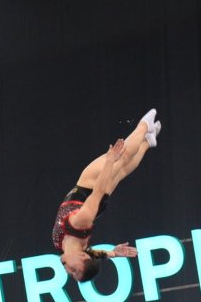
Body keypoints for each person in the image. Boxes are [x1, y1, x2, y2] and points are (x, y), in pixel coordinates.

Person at [53, 110, 160, 283]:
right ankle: (144, 127)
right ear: (82, 257)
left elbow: (94, 254)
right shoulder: (77, 224)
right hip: (89, 190)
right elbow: (97, 192)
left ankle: (148, 141)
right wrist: (110, 161)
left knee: (123, 169)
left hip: (95, 202)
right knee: (121, 158)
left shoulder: (69, 248)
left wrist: (114, 253)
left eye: (71, 273)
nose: (67, 270)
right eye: (74, 270)